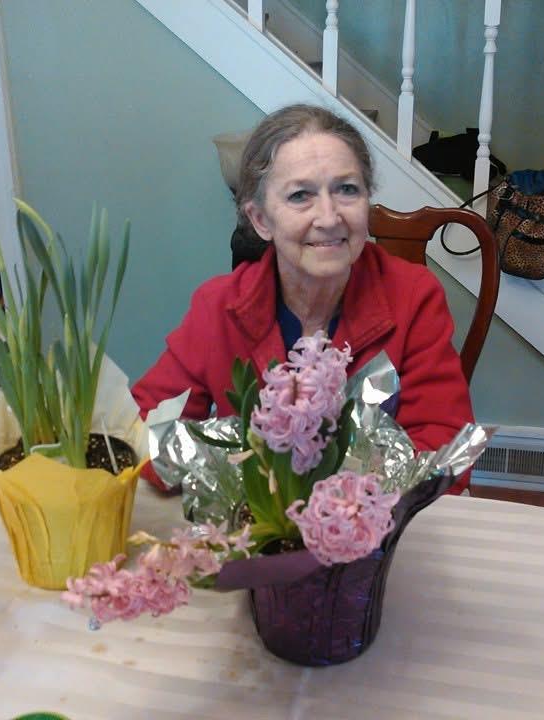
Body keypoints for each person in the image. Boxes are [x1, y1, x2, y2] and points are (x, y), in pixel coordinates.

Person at [133, 104, 473, 493]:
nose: (328, 218)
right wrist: (244, 480)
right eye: (300, 196)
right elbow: (146, 427)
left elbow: (444, 447)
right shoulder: (218, 307)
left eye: (347, 189)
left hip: (370, 534)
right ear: (261, 220)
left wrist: (334, 503)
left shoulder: (413, 297)